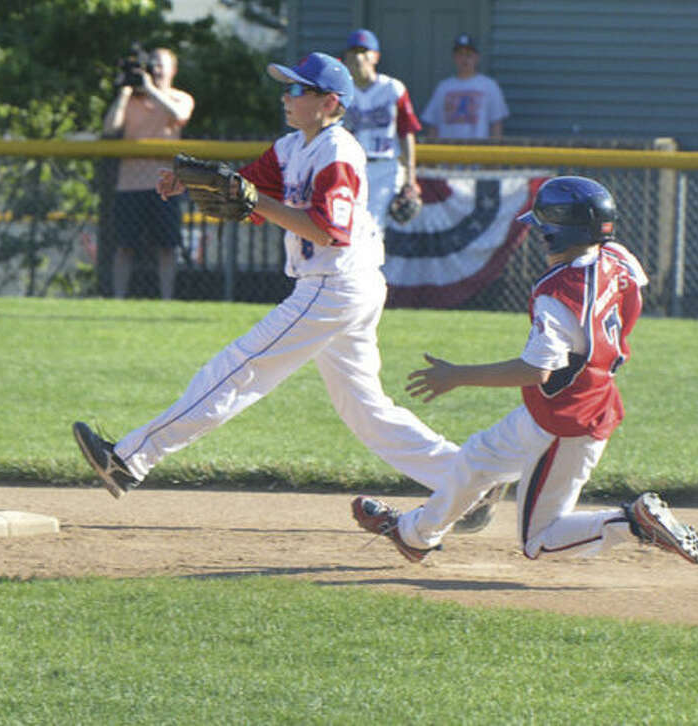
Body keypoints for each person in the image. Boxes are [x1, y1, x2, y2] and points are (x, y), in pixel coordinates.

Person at [72, 52, 460, 503]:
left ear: (329, 102)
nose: (286, 96)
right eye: (287, 87)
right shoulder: (291, 147)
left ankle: (130, 459)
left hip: (335, 284)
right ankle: (466, 478)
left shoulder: (338, 152)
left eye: (298, 89)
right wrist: (188, 183)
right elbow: (243, 187)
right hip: (339, 284)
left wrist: (255, 201)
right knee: (365, 411)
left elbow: (325, 230)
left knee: (237, 368)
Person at [351, 176, 698, 565]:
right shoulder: (619, 257)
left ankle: (633, 522)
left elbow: (535, 370)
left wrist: (457, 375)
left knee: (540, 539)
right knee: (476, 459)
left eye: (542, 230)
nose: (539, 238)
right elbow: (633, 289)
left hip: (566, 424)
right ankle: (415, 536)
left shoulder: (556, 295)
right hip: (576, 401)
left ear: (556, 236)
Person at [103, 45, 195, 300]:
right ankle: (118, 300)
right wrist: (124, 93)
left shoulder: (180, 97)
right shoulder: (131, 100)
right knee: (124, 247)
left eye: (160, 64)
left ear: (172, 70)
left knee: (167, 247)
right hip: (129, 184)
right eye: (151, 63)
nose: (154, 69)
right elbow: (110, 128)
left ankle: (167, 300)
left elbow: (179, 115)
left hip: (165, 184)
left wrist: (151, 90)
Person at [341, 28, 422, 230]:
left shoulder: (393, 89)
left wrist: (410, 178)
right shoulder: (340, 93)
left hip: (385, 167)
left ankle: (371, 262)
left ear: (375, 57)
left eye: (364, 51)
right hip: (350, 168)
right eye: (353, 51)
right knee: (349, 226)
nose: (358, 57)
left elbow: (406, 132)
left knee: (371, 227)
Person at [421, 33, 510, 141]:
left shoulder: (489, 86)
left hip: (478, 152)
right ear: (454, 57)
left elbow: (496, 125)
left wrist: (495, 152)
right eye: (460, 54)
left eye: (469, 55)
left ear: (477, 57)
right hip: (447, 152)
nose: (464, 59)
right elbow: (434, 125)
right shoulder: (443, 88)